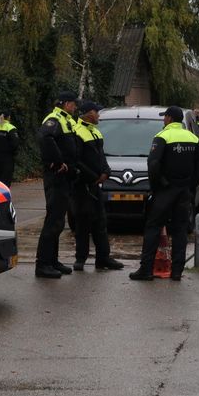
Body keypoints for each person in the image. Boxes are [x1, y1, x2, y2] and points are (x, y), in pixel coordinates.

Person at [129, 106, 199, 281]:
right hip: (184, 191)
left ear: (170, 119)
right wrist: (190, 187)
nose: (164, 120)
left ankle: (146, 270)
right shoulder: (193, 138)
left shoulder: (162, 136)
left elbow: (153, 164)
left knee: (153, 227)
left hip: (165, 191)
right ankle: (177, 272)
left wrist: (158, 186)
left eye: (165, 117)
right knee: (180, 230)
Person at [72, 101, 124, 271]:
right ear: (87, 113)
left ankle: (103, 258)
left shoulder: (95, 132)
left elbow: (101, 157)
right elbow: (76, 160)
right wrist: (94, 177)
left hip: (96, 185)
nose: (99, 115)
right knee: (82, 223)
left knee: (100, 222)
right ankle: (80, 258)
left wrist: (106, 172)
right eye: (96, 112)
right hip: (82, 186)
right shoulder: (77, 132)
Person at [35, 91, 79, 278]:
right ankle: (43, 264)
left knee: (58, 222)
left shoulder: (66, 119)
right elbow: (45, 138)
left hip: (65, 178)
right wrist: (58, 162)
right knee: (53, 221)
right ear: (66, 104)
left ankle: (52, 260)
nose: (76, 107)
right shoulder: (54, 119)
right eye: (74, 104)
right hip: (57, 177)